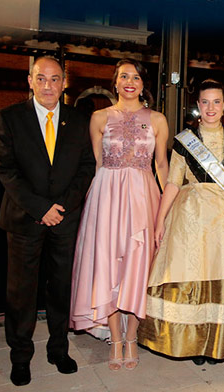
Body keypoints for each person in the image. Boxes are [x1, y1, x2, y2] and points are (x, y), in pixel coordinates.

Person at [0, 56, 95, 387]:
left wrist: (62, 208)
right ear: (30, 80)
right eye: (41, 78)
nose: (48, 85)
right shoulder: (9, 118)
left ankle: (58, 349)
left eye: (55, 79)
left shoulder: (80, 121)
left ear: (64, 82)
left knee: (60, 290)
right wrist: (41, 208)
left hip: (65, 221)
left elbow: (86, 168)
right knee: (21, 294)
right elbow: (6, 171)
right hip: (25, 220)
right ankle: (20, 357)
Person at [138, 79, 224, 362]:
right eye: (205, 102)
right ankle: (193, 343)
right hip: (191, 218)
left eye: (217, 102)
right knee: (190, 279)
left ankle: (216, 342)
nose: (211, 107)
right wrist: (160, 220)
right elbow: (174, 183)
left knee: (221, 280)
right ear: (198, 106)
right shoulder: (184, 141)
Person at [70, 60, 168, 370]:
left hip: (143, 195)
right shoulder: (99, 117)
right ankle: (115, 338)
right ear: (114, 82)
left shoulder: (157, 119)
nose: (130, 81)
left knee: (139, 266)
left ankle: (132, 337)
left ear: (143, 84)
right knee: (108, 266)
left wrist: (167, 208)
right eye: (123, 76)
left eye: (136, 77)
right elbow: (97, 164)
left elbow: (162, 166)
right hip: (108, 195)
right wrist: (91, 203)